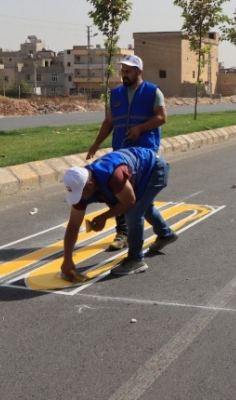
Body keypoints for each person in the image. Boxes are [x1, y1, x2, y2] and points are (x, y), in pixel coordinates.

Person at [86, 54, 175, 251]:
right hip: (121, 152)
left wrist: (140, 129)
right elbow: (109, 121)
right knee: (132, 198)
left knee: (132, 199)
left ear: (138, 72)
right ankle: (158, 232)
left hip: (144, 154)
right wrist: (96, 144)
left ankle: (129, 238)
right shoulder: (116, 93)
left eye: (128, 72)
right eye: (122, 71)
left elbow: (162, 117)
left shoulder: (152, 91)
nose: (123, 75)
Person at [60, 147, 178, 281]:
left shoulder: (112, 176)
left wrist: (103, 217)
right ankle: (166, 235)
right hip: (134, 172)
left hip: (154, 168)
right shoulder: (81, 188)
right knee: (143, 207)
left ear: (91, 184)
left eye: (81, 193)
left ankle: (136, 259)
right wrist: (67, 259)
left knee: (133, 213)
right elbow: (73, 226)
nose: (80, 198)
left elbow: (129, 201)